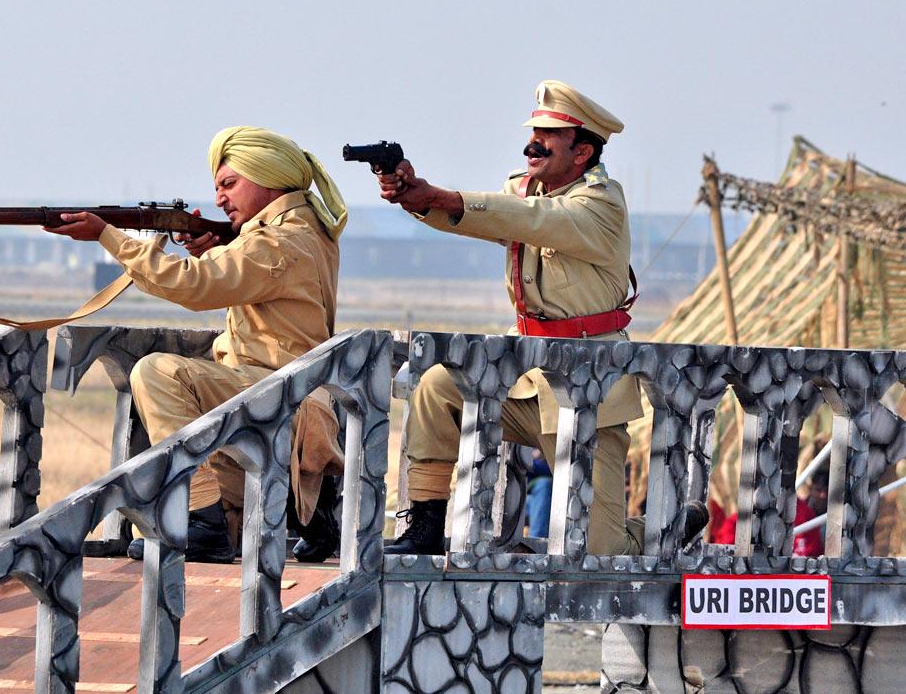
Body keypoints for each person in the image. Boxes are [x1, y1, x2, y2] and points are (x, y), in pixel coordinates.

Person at [374, 80, 707, 555]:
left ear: (582, 151)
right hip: (527, 377)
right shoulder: (523, 189)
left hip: (589, 385)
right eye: (534, 131)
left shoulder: (602, 203)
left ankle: (665, 531)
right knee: (438, 387)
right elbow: (491, 215)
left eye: (549, 136)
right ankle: (424, 525)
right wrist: (416, 195)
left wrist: (443, 197)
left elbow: (531, 219)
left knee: (601, 552)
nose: (534, 143)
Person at [46, 126, 347, 564]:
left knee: (156, 374)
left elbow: (193, 285)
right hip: (278, 397)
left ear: (269, 179)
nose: (221, 199)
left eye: (229, 184)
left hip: (280, 396)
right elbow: (244, 273)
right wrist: (223, 243)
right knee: (166, 499)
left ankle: (200, 518)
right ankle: (284, 511)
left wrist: (108, 236)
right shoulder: (300, 231)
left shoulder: (278, 241)